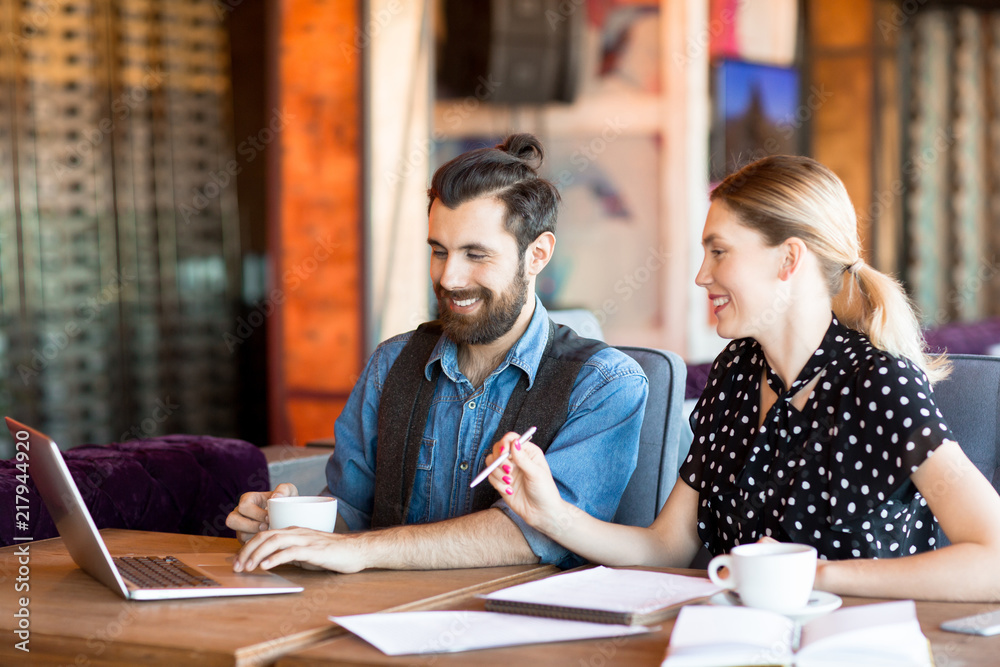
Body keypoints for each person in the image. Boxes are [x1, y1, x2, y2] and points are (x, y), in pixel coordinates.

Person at [486, 155, 1000, 601]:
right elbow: (667, 546)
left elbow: (992, 559)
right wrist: (551, 513)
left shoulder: (880, 384)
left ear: (788, 258)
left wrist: (815, 577)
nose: (701, 275)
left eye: (720, 251)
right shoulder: (736, 373)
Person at [227, 133, 648, 574]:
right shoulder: (390, 364)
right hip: (380, 621)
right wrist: (286, 529)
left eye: (475, 254)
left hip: (519, 631)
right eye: (439, 251)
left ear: (537, 254)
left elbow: (536, 533)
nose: (449, 277)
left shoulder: (605, 385)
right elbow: (351, 517)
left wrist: (363, 551)